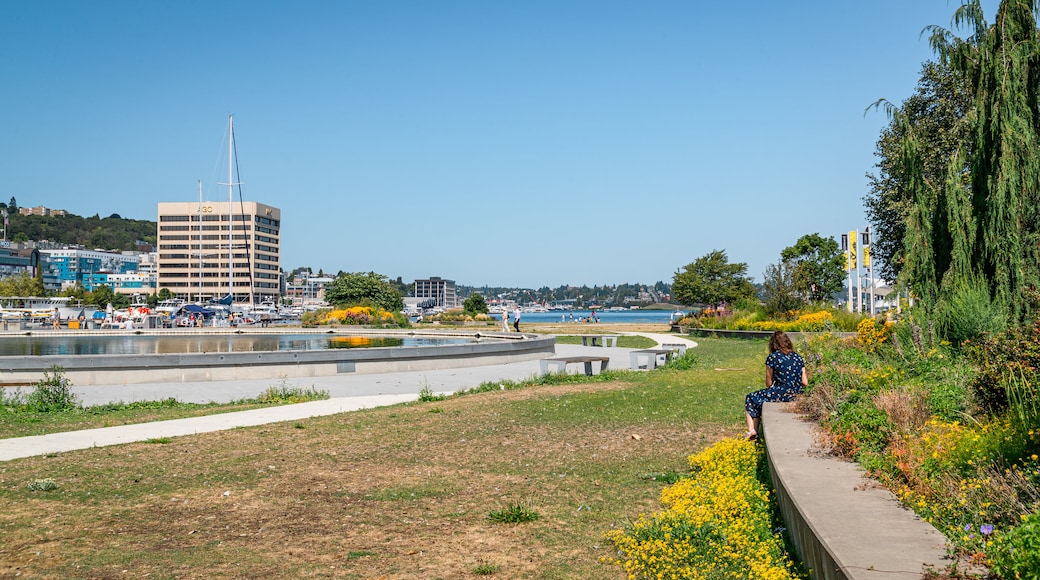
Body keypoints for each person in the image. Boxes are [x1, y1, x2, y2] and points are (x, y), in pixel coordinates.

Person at [745, 330, 807, 441]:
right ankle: (755, 432)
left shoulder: (772, 358)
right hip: (796, 394)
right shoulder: (798, 358)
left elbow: (768, 384)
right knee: (759, 399)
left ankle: (752, 430)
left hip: (780, 393)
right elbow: (805, 382)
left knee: (751, 398)